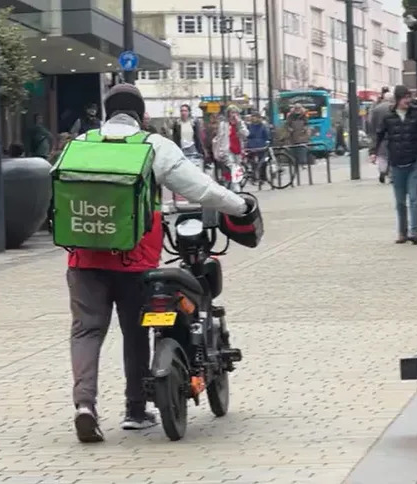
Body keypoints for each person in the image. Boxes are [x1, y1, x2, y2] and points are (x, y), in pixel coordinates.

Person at [66, 84, 251, 443]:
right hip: (135, 261)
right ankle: (136, 410)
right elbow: (202, 189)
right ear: (141, 114)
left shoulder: (81, 144)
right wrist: (241, 206)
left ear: (107, 112)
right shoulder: (153, 146)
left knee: (87, 331)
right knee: (136, 333)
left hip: (84, 256)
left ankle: (84, 406)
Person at [371, 85, 417, 245]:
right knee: (400, 201)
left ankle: (414, 232)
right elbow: (379, 134)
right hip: (397, 163)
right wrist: (373, 151)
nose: (407, 101)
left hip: (414, 162)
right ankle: (402, 232)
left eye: (409, 97)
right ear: (397, 99)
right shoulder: (389, 116)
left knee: (414, 199)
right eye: (405, 98)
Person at [212, 105, 249, 189]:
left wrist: (239, 123)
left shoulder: (240, 123)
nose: (234, 115)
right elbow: (219, 138)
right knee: (234, 169)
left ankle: (231, 187)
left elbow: (246, 134)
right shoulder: (224, 124)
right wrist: (218, 152)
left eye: (235, 112)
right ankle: (236, 190)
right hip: (227, 150)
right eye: (232, 112)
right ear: (228, 114)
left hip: (238, 150)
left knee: (235, 171)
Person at [368, 92, 394, 184]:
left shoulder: (376, 109)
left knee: (382, 155)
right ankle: (391, 176)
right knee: (391, 156)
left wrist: (373, 133)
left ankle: (382, 171)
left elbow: (371, 122)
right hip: (391, 135)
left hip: (379, 135)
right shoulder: (393, 108)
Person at [246, 111, 271, 180]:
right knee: (253, 162)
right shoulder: (250, 126)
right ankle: (254, 175)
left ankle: (262, 176)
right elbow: (247, 135)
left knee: (263, 162)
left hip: (261, 146)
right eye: (253, 117)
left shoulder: (263, 126)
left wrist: (267, 141)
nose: (254, 118)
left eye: (255, 117)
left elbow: (266, 135)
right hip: (252, 146)